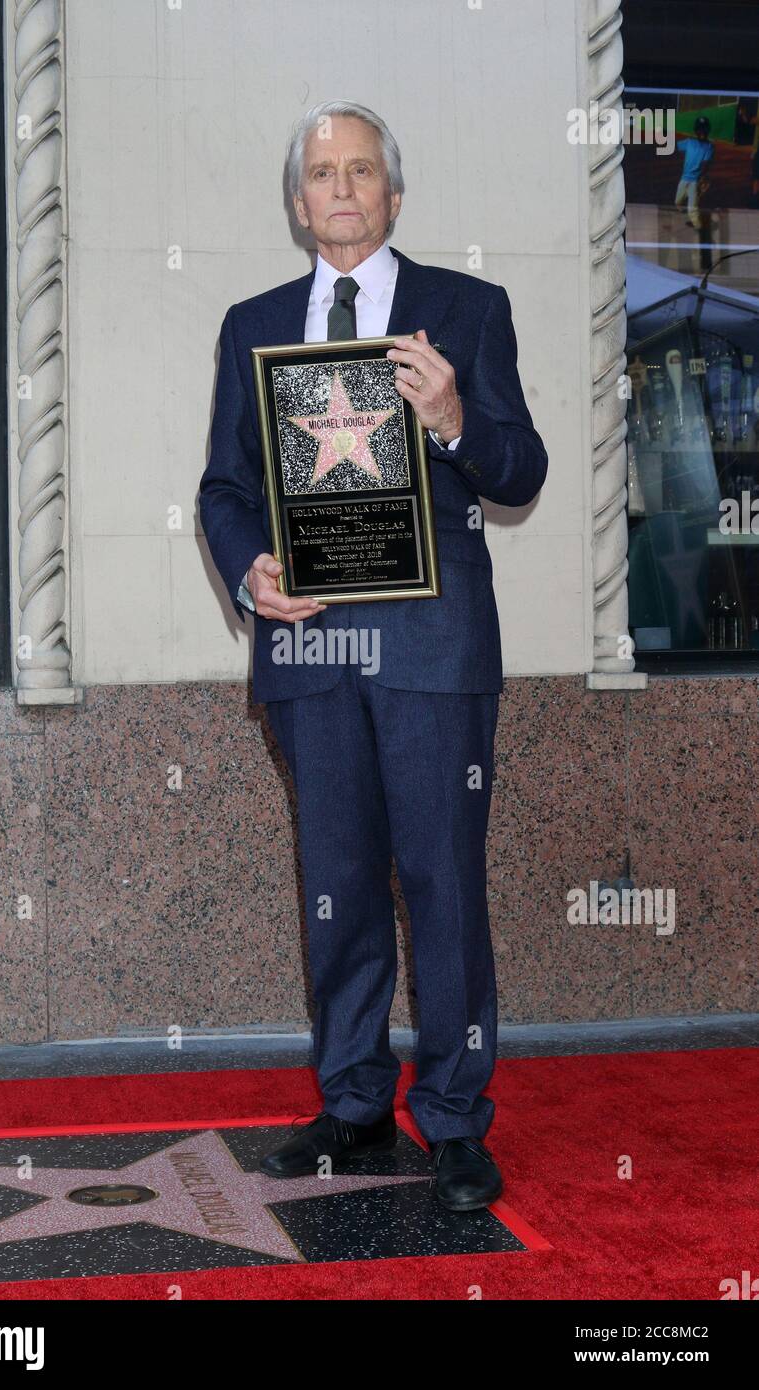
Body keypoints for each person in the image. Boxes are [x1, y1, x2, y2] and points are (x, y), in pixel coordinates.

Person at [198, 101, 547, 1212]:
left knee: (442, 885)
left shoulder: (465, 308)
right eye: (319, 173)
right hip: (310, 651)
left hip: (432, 653)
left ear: (392, 195)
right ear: (297, 204)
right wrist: (249, 564)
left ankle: (452, 1120)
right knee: (336, 886)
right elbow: (223, 489)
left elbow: (519, 468)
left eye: (360, 171)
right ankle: (351, 1102)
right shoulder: (250, 323)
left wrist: (452, 419)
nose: (340, 188)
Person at [675, 116, 714, 230]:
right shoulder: (689, 142)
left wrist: (702, 178)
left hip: (695, 181)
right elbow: (675, 146)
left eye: (704, 130)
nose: (702, 132)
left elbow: (705, 164)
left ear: (707, 131)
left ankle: (698, 227)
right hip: (684, 178)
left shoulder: (709, 147)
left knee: (692, 209)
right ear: (696, 131)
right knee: (677, 201)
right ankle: (689, 198)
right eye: (699, 130)